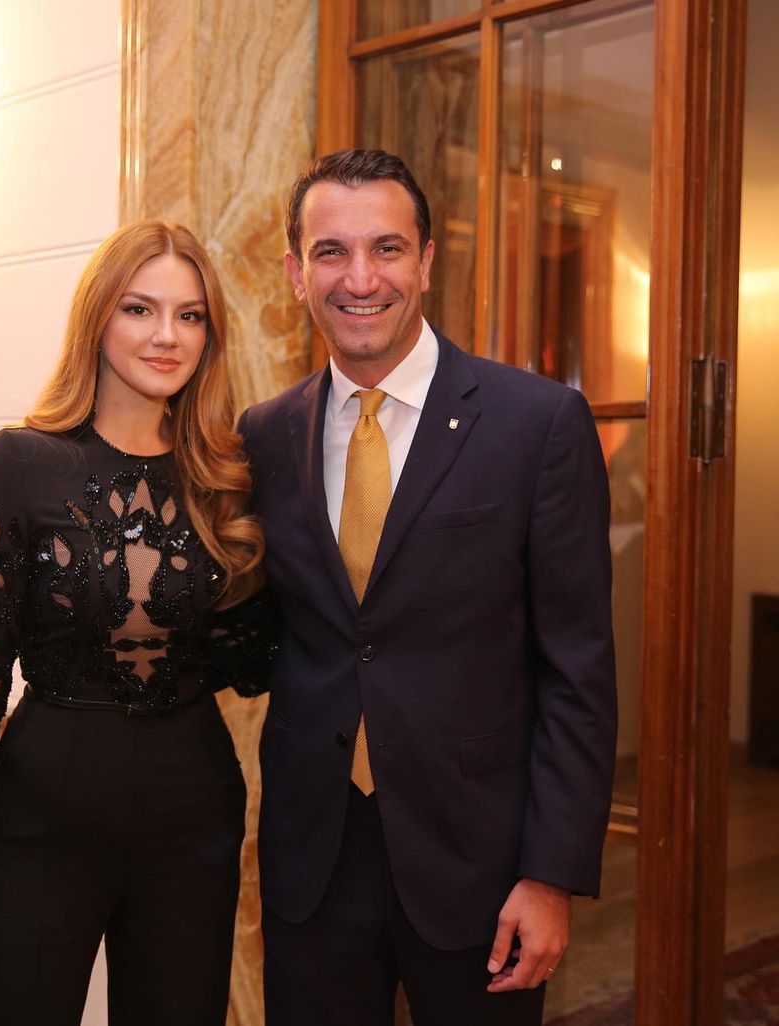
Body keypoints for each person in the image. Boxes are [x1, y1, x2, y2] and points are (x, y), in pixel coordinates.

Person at [239, 148, 617, 1025]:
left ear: (428, 261)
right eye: (331, 252)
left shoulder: (536, 425)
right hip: (313, 863)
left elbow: (579, 672)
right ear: (295, 273)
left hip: (482, 867)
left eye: (387, 248)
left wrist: (551, 874)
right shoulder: (263, 436)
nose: (360, 278)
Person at [0, 220, 274, 1026]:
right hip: (43, 813)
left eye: (190, 315)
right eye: (140, 309)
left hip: (193, 815)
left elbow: (251, 661)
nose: (167, 335)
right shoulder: (20, 463)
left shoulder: (226, 472)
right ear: (98, 316)